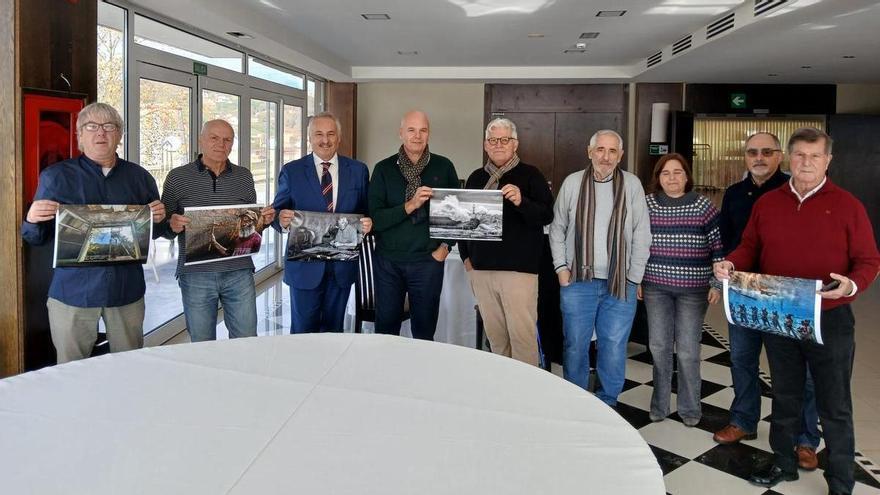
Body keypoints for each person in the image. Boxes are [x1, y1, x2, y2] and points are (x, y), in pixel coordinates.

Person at [714, 127, 880, 494]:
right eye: (800, 155)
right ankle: (783, 462)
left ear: (827, 160)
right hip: (781, 314)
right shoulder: (768, 203)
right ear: (790, 158)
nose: (807, 162)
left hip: (829, 318)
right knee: (785, 394)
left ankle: (840, 482)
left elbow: (869, 261)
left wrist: (852, 285)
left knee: (834, 402)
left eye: (815, 156)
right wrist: (731, 262)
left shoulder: (848, 205)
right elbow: (750, 246)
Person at [22, 102, 166, 363]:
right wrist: (31, 219)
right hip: (73, 293)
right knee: (71, 369)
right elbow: (36, 237)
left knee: (131, 366)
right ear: (80, 134)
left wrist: (158, 219)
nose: (101, 132)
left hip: (125, 292)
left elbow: (154, 233)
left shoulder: (140, 177)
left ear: (119, 134)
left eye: (109, 126)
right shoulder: (56, 177)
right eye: (91, 126)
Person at [713, 132, 822, 473]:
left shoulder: (794, 190)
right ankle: (743, 420)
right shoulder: (734, 194)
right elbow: (729, 241)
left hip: (785, 295)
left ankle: (804, 439)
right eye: (752, 152)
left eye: (766, 152)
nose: (758, 158)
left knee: (797, 370)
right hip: (744, 290)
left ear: (779, 156)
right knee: (742, 359)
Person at [548, 129, 651, 406]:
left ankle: (608, 401)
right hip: (578, 281)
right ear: (590, 152)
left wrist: (634, 276)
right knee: (575, 344)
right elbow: (557, 229)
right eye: (600, 150)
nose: (606, 157)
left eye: (612, 151)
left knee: (614, 345)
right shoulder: (572, 183)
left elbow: (642, 233)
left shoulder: (632, 185)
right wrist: (561, 268)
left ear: (621, 155)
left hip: (620, 282)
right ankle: (577, 401)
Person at [158, 119, 275, 342]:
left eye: (227, 139)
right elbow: (163, 227)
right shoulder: (177, 177)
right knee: (202, 343)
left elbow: (249, 225)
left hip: (239, 272)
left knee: (247, 340)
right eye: (214, 138)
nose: (221, 144)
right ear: (201, 140)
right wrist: (170, 225)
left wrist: (264, 221)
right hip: (196, 275)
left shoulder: (244, 176)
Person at [460, 118, 553, 365]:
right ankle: (503, 387)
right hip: (482, 272)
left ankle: (525, 389)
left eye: (504, 140)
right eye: (493, 140)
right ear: (485, 145)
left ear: (515, 144)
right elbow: (464, 221)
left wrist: (522, 201)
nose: (498, 144)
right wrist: (466, 258)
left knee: (522, 340)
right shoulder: (476, 177)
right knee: (496, 340)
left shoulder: (531, 175)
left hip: (518, 273)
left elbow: (546, 215)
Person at [639, 153, 723, 425]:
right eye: (665, 173)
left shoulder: (703, 206)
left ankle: (690, 408)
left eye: (677, 172)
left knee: (688, 351)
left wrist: (716, 283)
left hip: (693, 291)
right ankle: (659, 405)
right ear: (658, 178)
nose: (672, 178)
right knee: (659, 347)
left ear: (687, 176)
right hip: (655, 288)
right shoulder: (647, 204)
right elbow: (636, 245)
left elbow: (718, 248)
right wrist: (637, 279)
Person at [273, 112, 371, 333]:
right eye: (318, 134)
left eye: (330, 134)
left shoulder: (358, 171)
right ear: (309, 137)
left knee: (334, 331)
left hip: (341, 268)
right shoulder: (292, 171)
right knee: (303, 332)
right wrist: (281, 220)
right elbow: (277, 211)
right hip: (304, 268)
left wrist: (368, 223)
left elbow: (366, 211)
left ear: (339, 137)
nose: (325, 140)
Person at [368, 110, 459, 340]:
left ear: (429, 134)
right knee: (386, 331)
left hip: (428, 262)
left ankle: (421, 366)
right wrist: (410, 205)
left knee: (425, 331)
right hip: (388, 263)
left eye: (423, 130)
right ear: (401, 133)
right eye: (411, 130)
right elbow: (376, 220)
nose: (417, 136)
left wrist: (445, 247)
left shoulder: (444, 166)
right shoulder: (383, 169)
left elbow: (458, 216)